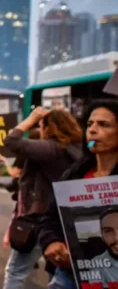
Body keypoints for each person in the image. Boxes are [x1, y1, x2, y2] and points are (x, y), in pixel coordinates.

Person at [39, 100, 118, 289]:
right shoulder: (75, 174)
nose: (92, 130)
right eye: (90, 124)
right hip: (69, 277)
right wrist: (51, 242)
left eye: (104, 125)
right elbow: (49, 219)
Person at [2, 107, 82, 289]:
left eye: (41, 125)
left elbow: (11, 141)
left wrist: (31, 118)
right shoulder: (77, 149)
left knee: (16, 271)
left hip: (41, 218)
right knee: (57, 271)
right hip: (66, 219)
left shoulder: (51, 148)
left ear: (49, 127)